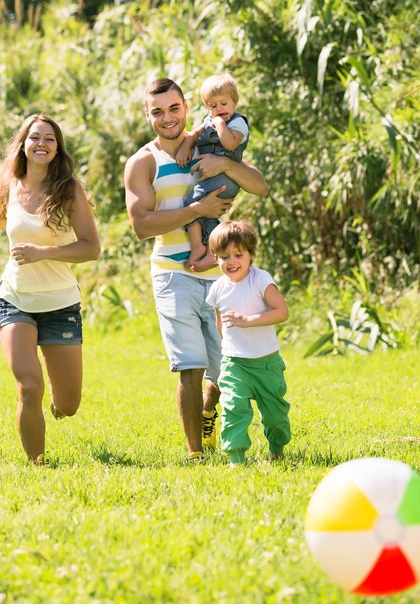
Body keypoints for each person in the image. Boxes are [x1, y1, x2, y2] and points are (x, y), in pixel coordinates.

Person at [124, 78, 268, 461]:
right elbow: (141, 226)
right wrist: (196, 212)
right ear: (148, 115)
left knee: (225, 369)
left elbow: (260, 186)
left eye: (173, 108)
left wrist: (222, 163)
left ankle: (209, 410)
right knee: (190, 365)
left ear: (186, 107)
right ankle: (196, 453)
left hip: (222, 275)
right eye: (157, 111)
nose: (167, 118)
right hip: (173, 274)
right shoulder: (143, 161)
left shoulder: (210, 142)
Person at [0, 114, 101, 465]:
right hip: (14, 300)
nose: (41, 144)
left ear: (57, 148)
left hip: (60, 304)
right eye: (35, 137)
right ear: (23, 144)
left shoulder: (69, 190)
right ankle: (38, 467)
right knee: (29, 385)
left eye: (49, 139)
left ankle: (58, 404)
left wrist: (43, 253)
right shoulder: (10, 183)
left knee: (68, 404)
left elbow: (91, 248)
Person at [205, 220, 291, 466]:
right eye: (223, 257)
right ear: (215, 258)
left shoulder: (260, 279)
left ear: (250, 254)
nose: (231, 262)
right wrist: (229, 349)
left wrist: (248, 320)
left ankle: (277, 448)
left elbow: (281, 311)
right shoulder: (217, 289)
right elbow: (220, 324)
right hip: (235, 364)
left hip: (267, 364)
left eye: (238, 255)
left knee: (276, 418)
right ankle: (236, 458)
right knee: (233, 408)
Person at [176, 73, 250, 272]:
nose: (219, 110)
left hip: (226, 178)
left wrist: (219, 124)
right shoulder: (210, 119)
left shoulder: (237, 122)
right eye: (213, 105)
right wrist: (185, 148)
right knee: (205, 213)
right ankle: (207, 251)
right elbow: (194, 134)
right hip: (213, 177)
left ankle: (202, 247)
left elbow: (230, 143)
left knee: (191, 204)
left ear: (234, 101)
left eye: (223, 103)